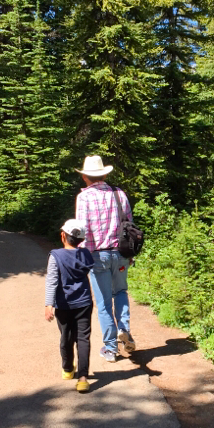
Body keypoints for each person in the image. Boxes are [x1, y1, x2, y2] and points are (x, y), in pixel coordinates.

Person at [75, 155, 136, 362]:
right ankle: (124, 329)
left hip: (97, 255)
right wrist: (130, 254)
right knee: (120, 291)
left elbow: (83, 231)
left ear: (85, 176)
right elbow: (129, 225)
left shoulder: (84, 198)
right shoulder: (119, 194)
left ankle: (110, 348)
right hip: (120, 254)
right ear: (104, 174)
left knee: (103, 303)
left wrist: (83, 258)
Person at [45, 219, 94, 393]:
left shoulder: (56, 255)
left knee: (66, 336)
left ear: (63, 236)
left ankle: (67, 369)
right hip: (84, 302)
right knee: (83, 338)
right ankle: (82, 378)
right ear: (80, 240)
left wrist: (49, 304)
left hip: (63, 305)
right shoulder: (86, 254)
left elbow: (52, 281)